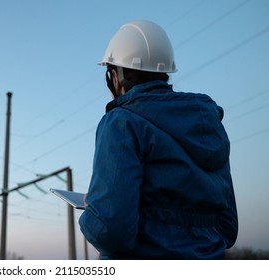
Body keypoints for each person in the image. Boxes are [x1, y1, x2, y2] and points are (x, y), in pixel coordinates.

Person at [78, 20, 238, 259]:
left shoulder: (122, 122)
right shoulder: (209, 122)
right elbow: (228, 229)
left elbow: (111, 231)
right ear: (164, 74)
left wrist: (92, 211)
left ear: (114, 77)